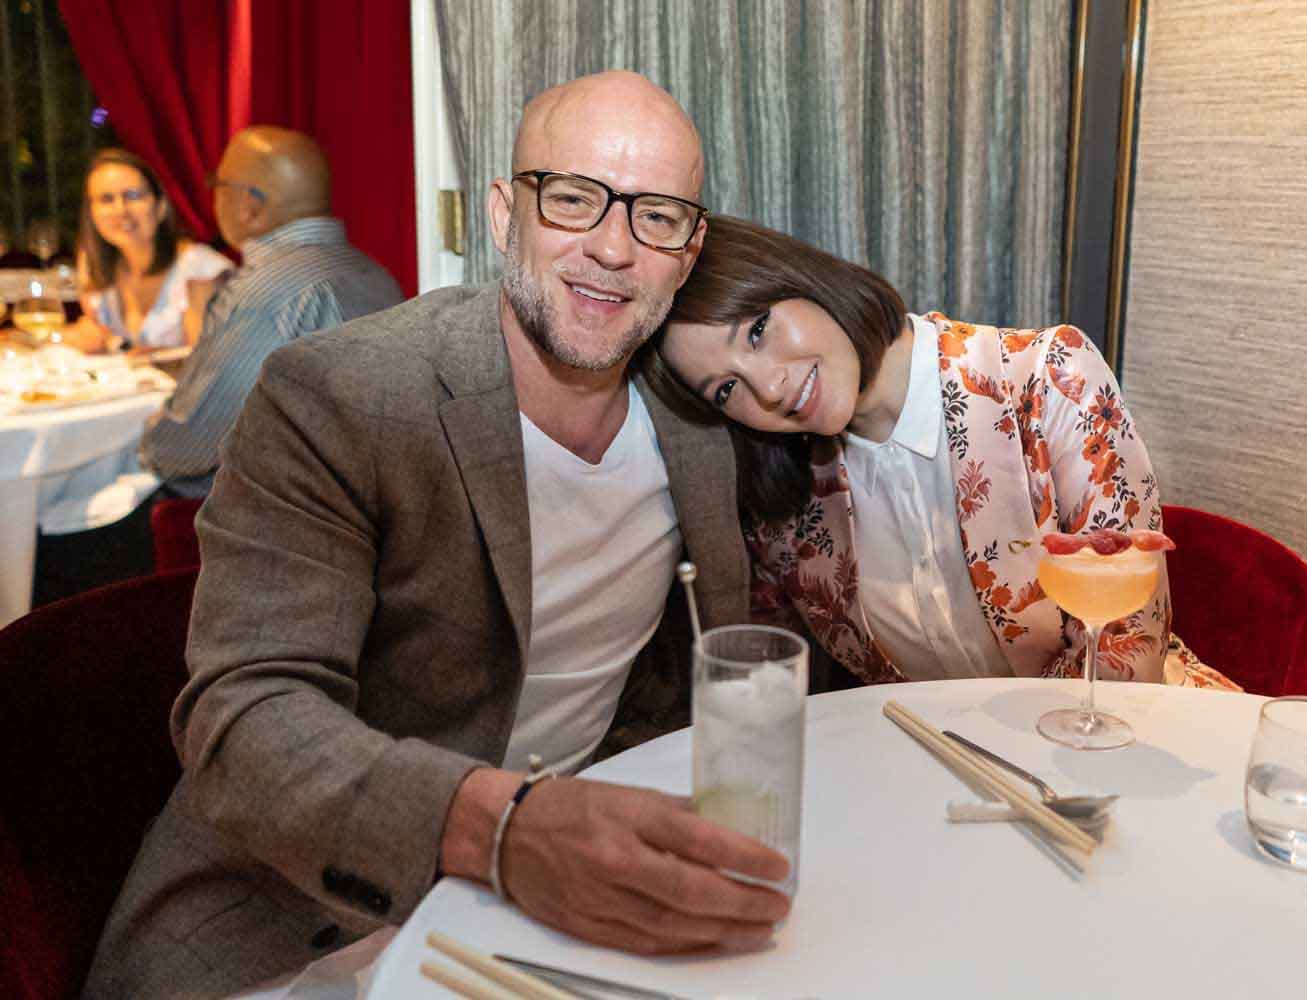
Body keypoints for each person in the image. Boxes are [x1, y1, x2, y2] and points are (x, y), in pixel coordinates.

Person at [84, 73, 787, 998]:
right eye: (573, 199)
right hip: (306, 917)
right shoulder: (343, 397)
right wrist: (500, 830)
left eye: (655, 217)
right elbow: (246, 718)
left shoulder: (703, 416)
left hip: (560, 913)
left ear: (689, 251)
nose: (613, 248)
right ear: (505, 213)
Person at [647, 215, 1238, 690]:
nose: (768, 388)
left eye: (756, 330)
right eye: (726, 389)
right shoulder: (787, 503)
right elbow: (771, 682)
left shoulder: (1047, 379)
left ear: (803, 280)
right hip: (942, 789)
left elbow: (1121, 664)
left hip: (1125, 748)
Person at [136, 125, 403, 498]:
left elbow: (190, 448)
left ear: (251, 206)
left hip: (287, 520)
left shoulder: (263, 294)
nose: (213, 196)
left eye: (219, 184)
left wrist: (145, 443)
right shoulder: (375, 274)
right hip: (369, 502)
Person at [66, 147, 233, 353]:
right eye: (106, 199)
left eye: (133, 196)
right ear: (92, 214)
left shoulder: (201, 270)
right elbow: (97, 338)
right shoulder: (96, 267)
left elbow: (211, 367)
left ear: (160, 207)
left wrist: (122, 349)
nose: (121, 210)